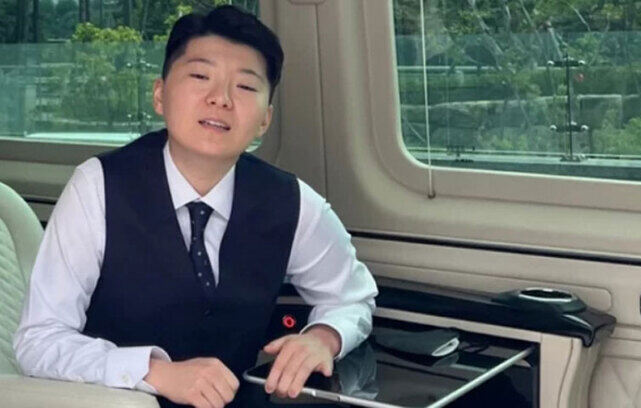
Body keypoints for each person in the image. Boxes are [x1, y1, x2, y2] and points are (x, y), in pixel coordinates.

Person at [13, 5, 378, 408]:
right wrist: (152, 371)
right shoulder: (97, 187)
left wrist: (324, 337)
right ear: (160, 95)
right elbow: (39, 340)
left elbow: (353, 297)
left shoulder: (293, 202)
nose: (220, 99)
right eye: (200, 77)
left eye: (245, 87)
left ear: (265, 119)